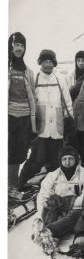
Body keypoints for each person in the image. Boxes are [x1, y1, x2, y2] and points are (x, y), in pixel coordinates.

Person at [18, 49, 74, 191]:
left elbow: (67, 103)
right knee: (37, 159)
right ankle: (20, 184)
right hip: (40, 128)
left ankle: (49, 187)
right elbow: (30, 101)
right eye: (45, 61)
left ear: (54, 63)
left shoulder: (60, 80)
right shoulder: (35, 79)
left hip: (57, 127)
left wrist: (69, 121)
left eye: (50, 61)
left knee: (55, 161)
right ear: (40, 63)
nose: (48, 65)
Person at [31, 146, 84, 255]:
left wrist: (68, 203)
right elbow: (43, 194)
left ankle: (50, 232)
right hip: (57, 208)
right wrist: (43, 211)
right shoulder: (52, 175)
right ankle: (50, 239)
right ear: (60, 161)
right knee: (50, 212)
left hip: (75, 208)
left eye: (70, 159)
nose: (67, 162)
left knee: (76, 215)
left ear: (76, 160)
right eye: (64, 159)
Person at [8, 32, 38, 195]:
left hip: (25, 118)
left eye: (21, 45)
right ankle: (9, 185)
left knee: (20, 152)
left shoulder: (29, 72)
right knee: (8, 151)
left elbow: (33, 96)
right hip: (9, 116)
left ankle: (12, 186)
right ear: (10, 47)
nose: (19, 49)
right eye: (16, 45)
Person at [67, 50, 84, 168]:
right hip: (73, 118)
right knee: (73, 148)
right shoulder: (71, 76)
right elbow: (66, 95)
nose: (81, 63)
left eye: (83, 60)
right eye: (78, 60)